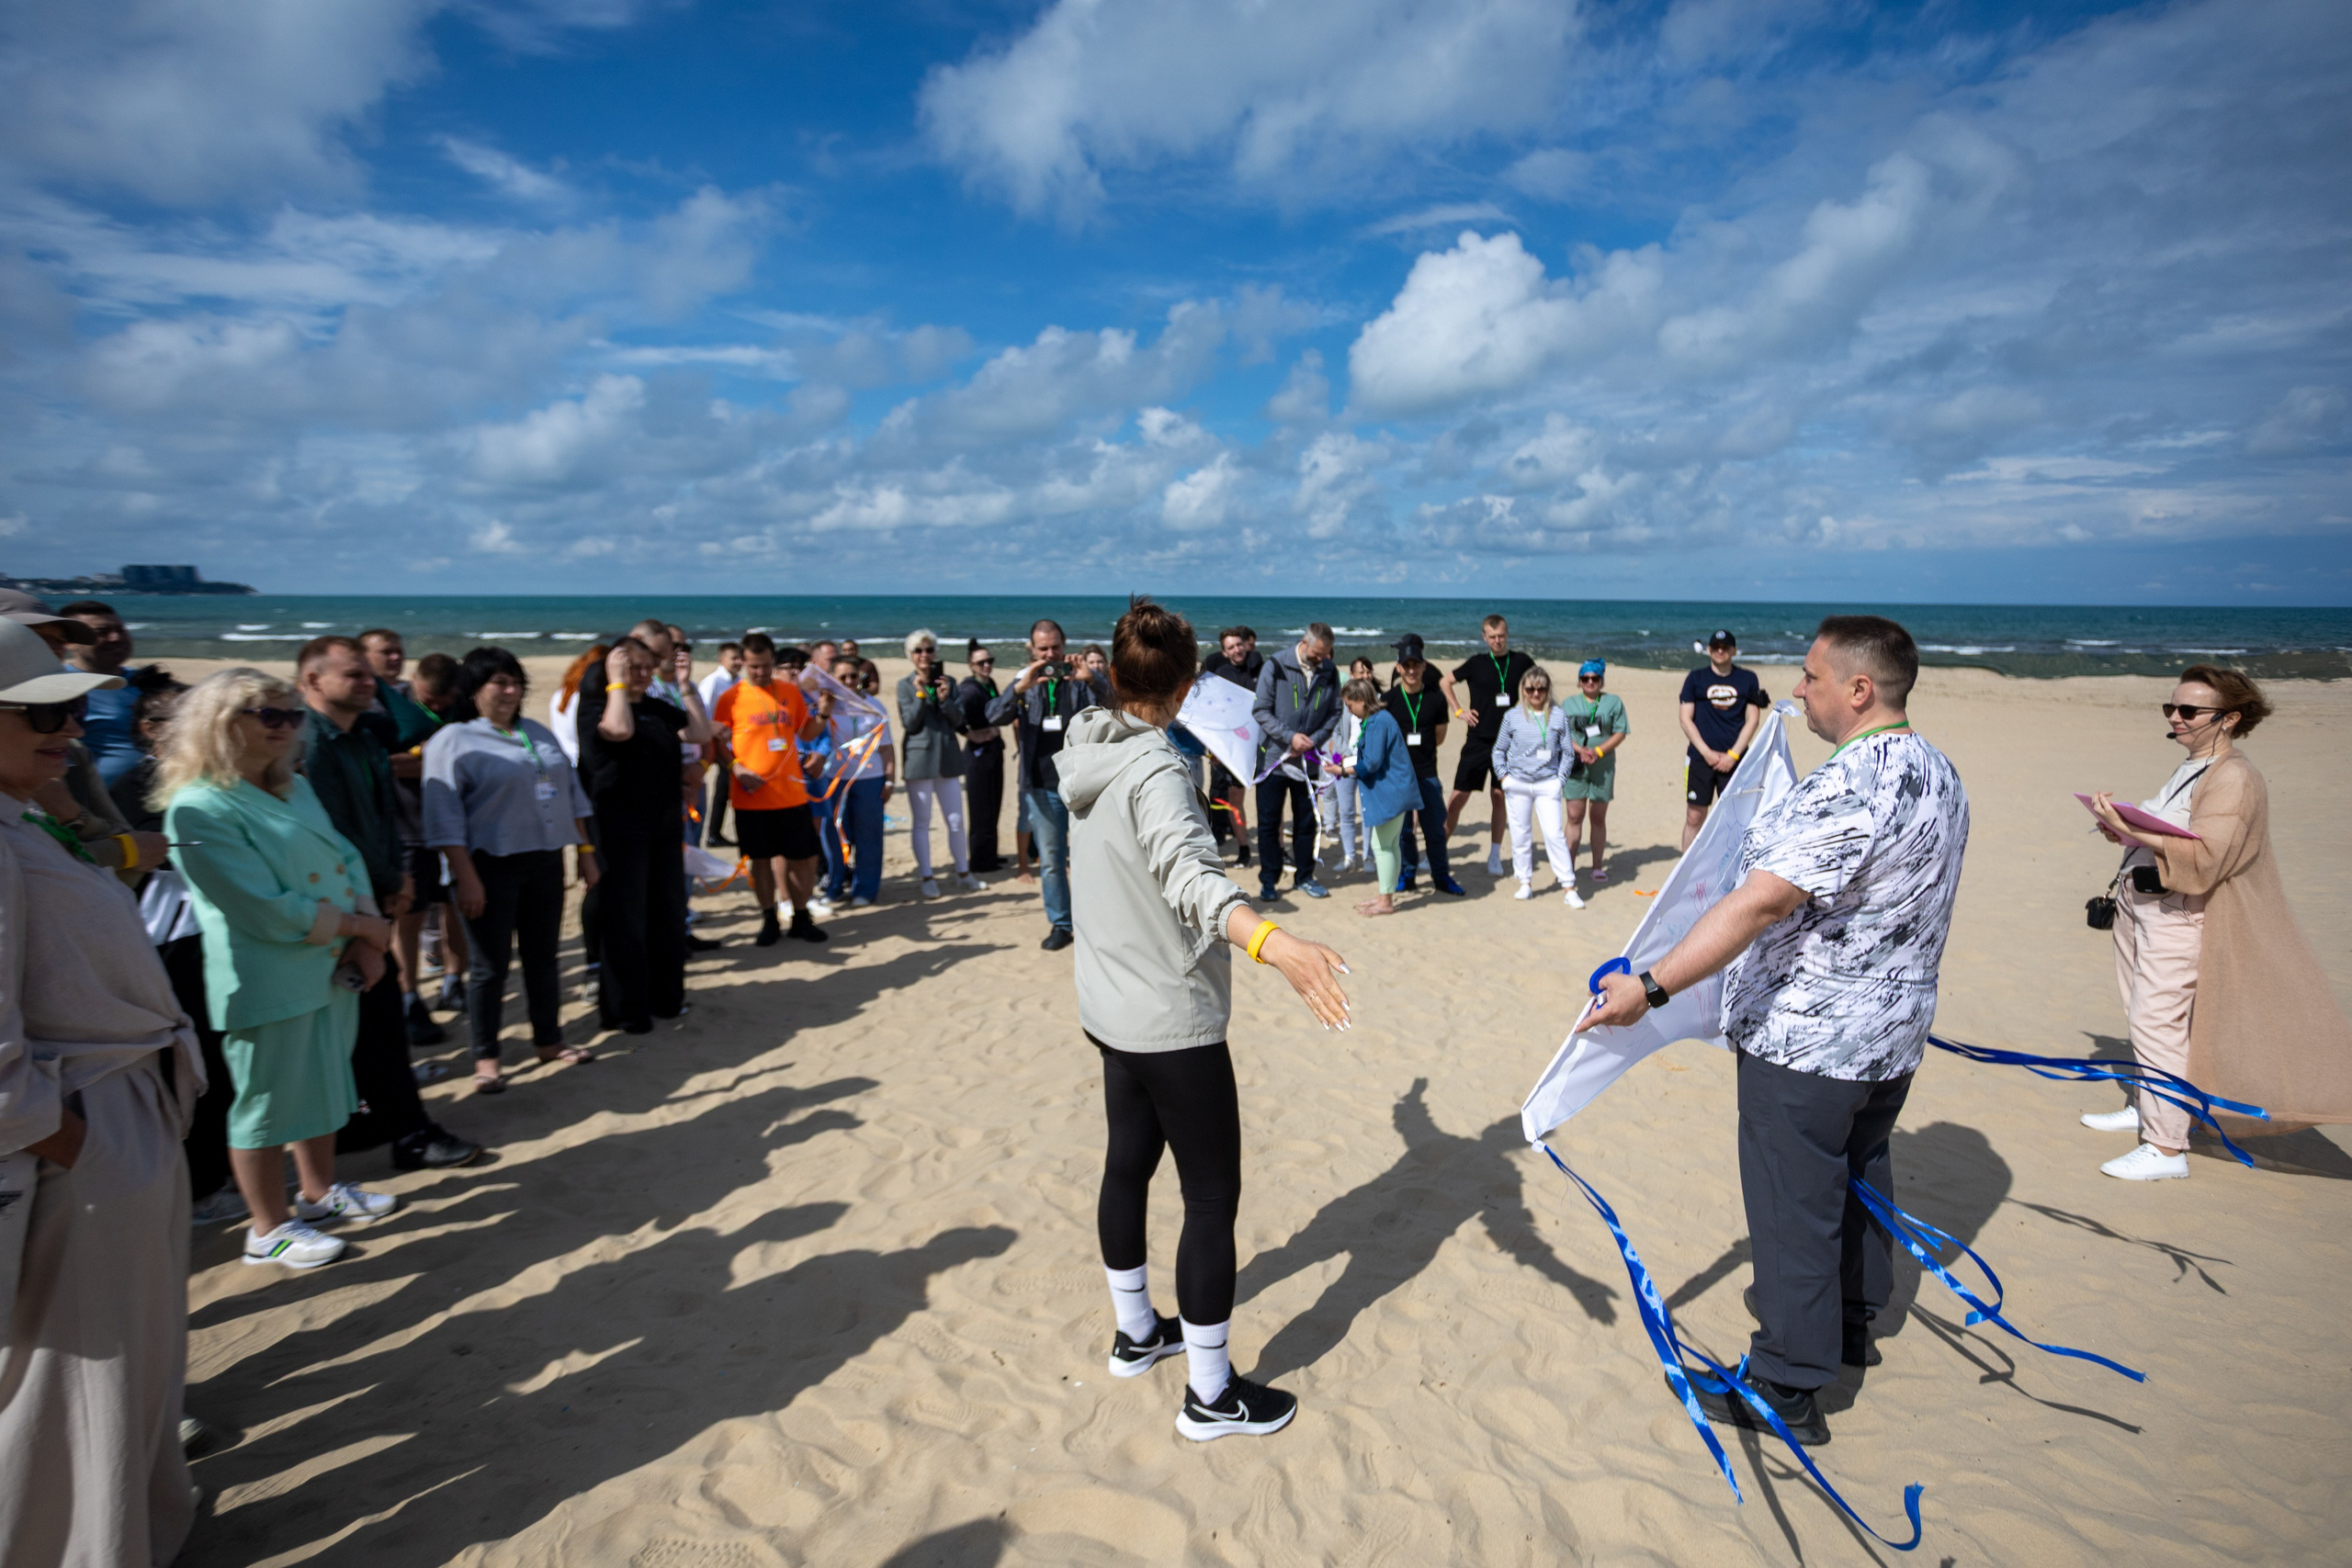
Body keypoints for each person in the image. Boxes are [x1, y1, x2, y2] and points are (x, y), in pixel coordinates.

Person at [1580, 615, 1969, 1445]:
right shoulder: (1940, 770)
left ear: (1860, 689)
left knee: (1796, 1203)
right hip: (1890, 1039)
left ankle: (1788, 1383)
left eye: (1811, 676)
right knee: (1860, 1173)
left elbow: (1761, 899)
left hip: (1813, 1043)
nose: (1795, 690)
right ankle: (1854, 1327)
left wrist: (1647, 987)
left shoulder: (1852, 781)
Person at [1056, 596, 1352, 1442]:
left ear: (1112, 679)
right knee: (1211, 1197)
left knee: (1128, 1163)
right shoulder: (1157, 773)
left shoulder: (1086, 743)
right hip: (1167, 1018)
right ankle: (1211, 1395)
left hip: (1109, 1005)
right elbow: (1191, 876)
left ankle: (1136, 1333)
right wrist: (1276, 944)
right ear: (1188, 687)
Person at [0, 617, 203, 1568]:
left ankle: (128, 1534)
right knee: (77, 1382)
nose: (70, 726)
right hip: (82, 1137)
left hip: (117, 1116)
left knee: (127, 1370)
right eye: (37, 713)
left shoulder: (28, 814)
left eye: (74, 708)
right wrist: (78, 1141)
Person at [160, 667, 406, 1269]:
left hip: (329, 966)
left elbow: (344, 855)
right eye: (268, 715)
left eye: (292, 716)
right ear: (221, 724)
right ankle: (267, 1226)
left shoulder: (290, 784)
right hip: (267, 973)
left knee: (323, 1087)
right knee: (265, 1104)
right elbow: (261, 908)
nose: (286, 727)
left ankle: (319, 1193)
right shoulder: (195, 807)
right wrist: (359, 928)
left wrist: (368, 935)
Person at [2085, 665, 2352, 1178]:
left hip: (2178, 914)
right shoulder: (2195, 765)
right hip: (2139, 906)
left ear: (2229, 718)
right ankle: (2148, 1107)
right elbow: (2173, 833)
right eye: (2171, 708)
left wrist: (2132, 827)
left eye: (2189, 711)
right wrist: (2123, 832)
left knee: (2157, 1022)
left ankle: (2166, 1148)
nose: (2176, 718)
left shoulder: (2234, 776)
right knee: (2144, 1015)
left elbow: (2209, 855)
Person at [295, 637, 481, 1170]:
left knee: (369, 1022)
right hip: (343, 903)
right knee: (372, 1023)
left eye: (368, 675)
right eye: (353, 676)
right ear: (311, 682)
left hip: (377, 887)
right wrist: (379, 885)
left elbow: (423, 729)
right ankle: (411, 1133)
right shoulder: (309, 744)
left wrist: (386, 686)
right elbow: (332, 834)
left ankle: (375, 1122)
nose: (367, 684)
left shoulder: (363, 733)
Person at [424, 648, 599, 1093]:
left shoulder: (536, 731)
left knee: (543, 958)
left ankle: (549, 1040)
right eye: (498, 682)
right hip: (488, 866)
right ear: (474, 689)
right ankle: (486, 1057)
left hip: (544, 860)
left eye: (515, 681)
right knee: (489, 968)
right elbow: (443, 819)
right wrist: (465, 877)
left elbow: (571, 795)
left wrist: (585, 852)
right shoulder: (455, 739)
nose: (509, 691)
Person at [577, 637, 712, 1031]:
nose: (641, 674)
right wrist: (617, 684)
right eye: (631, 667)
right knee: (626, 920)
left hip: (664, 825)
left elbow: (700, 734)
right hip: (619, 828)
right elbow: (618, 731)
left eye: (645, 667)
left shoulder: (658, 707)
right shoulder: (596, 707)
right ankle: (625, 1009)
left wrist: (685, 685)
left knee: (667, 914)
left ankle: (667, 998)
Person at [986, 618, 1109, 949]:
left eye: (1055, 647)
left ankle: (1094, 921)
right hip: (1040, 784)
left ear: (1064, 644)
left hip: (1083, 783)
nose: (1050, 654)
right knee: (1052, 860)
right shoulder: (1024, 680)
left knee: (1091, 857)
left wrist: (1094, 679)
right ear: (1032, 649)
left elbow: (1118, 707)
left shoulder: (1081, 680)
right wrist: (1018, 689)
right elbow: (993, 716)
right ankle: (1061, 924)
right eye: (1043, 648)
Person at [711, 634, 828, 944]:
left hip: (791, 794)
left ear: (772, 662)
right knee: (760, 861)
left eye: (764, 666)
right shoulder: (730, 698)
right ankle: (768, 919)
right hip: (751, 799)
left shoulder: (790, 691)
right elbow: (718, 742)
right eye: (753, 667)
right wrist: (736, 766)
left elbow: (807, 730)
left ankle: (801, 916)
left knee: (802, 859)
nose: (759, 672)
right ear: (743, 663)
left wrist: (824, 713)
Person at [400, 652, 468, 1043]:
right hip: (410, 827)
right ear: (414, 681)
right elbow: (383, 764)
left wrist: (430, 758)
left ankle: (453, 981)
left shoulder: (463, 708)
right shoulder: (394, 709)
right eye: (429, 699)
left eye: (443, 701)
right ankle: (409, 996)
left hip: (457, 823)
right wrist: (430, 758)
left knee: (456, 907)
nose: (437, 707)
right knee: (410, 915)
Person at [1250, 622, 1340, 903]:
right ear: (1304, 642)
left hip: (1308, 761)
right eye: (1317, 653)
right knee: (1268, 823)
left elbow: (1335, 711)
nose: (1322, 659)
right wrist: (1290, 738)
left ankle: (1304, 876)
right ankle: (1269, 880)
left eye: (1326, 654)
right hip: (1273, 762)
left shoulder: (1330, 671)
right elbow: (1261, 710)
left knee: (1307, 823)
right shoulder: (1276, 665)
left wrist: (1313, 740)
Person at [1441, 615, 1536, 877]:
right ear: (1484, 637)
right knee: (1458, 796)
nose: (1497, 641)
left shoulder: (1522, 661)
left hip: (1508, 742)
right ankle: (1438, 851)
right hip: (1478, 740)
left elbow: (1537, 686)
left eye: (1501, 636)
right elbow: (1444, 682)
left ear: (1508, 634)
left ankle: (1495, 855)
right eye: (1492, 637)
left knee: (1499, 797)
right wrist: (1459, 710)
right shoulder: (1476, 663)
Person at [899, 628, 984, 897]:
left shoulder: (950, 682)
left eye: (929, 650)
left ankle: (963, 873)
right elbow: (909, 722)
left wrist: (946, 700)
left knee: (956, 820)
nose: (925, 655)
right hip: (919, 758)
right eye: (919, 651)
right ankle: (927, 876)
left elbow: (959, 720)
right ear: (911, 656)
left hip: (947, 756)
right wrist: (922, 695)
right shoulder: (905, 685)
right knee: (922, 820)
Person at [1493, 665, 1581, 906]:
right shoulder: (1512, 716)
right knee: (1521, 834)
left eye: (1541, 689)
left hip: (1547, 784)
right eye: (1530, 688)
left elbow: (1567, 753)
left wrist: (1559, 781)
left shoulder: (1559, 716)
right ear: (1523, 689)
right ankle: (1525, 882)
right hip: (1517, 784)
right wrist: (1504, 778)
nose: (1535, 694)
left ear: (1547, 689)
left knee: (1554, 834)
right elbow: (1498, 750)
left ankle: (1568, 886)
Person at [1331, 676, 1419, 917]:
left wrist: (1341, 770)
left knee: (1382, 845)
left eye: (1350, 706)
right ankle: (1385, 895)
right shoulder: (1376, 720)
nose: (1349, 711)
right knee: (1388, 844)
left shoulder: (1379, 721)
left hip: (1391, 792)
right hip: (1394, 790)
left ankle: (1386, 901)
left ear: (1361, 700)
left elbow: (1371, 763)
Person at [1385, 635, 1465, 897]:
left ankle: (1441, 876)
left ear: (1423, 666)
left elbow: (1440, 736)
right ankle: (1407, 874)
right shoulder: (1388, 700)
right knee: (1404, 831)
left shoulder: (1435, 698)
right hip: (1398, 777)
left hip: (1427, 773)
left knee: (1435, 830)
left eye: (1416, 665)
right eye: (1406, 665)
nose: (1411, 670)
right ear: (1399, 668)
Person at [1679, 629, 1769, 851]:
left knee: (1735, 818)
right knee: (1694, 816)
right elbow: (1685, 719)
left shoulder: (1747, 679)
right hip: (1700, 759)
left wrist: (1733, 755)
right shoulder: (1695, 678)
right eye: (1716, 647)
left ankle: (1733, 870)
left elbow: (1752, 719)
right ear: (1708, 650)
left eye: (1726, 647)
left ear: (1734, 651)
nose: (1721, 651)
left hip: (1736, 760)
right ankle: (1686, 871)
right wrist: (1707, 753)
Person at [822, 653, 892, 908]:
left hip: (870, 778)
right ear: (832, 678)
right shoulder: (826, 706)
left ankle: (865, 888)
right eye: (842, 677)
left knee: (869, 836)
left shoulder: (875, 706)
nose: (849, 681)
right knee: (834, 835)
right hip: (834, 780)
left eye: (853, 676)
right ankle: (834, 886)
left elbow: (886, 748)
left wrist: (890, 780)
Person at [58, 599, 144, 784]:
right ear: (69, 642)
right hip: (105, 800)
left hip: (162, 793)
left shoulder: (149, 680)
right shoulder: (61, 687)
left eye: (121, 630)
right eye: (102, 633)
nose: (116, 638)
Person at [1561, 659, 1630, 886]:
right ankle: (1567, 866)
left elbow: (1620, 732)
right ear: (1579, 681)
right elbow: (1560, 733)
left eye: (1595, 678)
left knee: (1598, 817)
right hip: (1576, 766)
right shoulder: (1569, 704)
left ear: (1601, 680)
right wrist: (1580, 750)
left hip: (1603, 767)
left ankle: (1597, 866)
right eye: (1585, 678)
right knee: (1574, 816)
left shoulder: (1613, 702)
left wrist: (1598, 752)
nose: (1590, 682)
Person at [1199, 626, 1261, 866]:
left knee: (1268, 804)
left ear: (1246, 644)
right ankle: (1244, 848)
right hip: (1233, 749)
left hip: (1261, 747)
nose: (1237, 650)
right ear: (1224, 652)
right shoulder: (1219, 675)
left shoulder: (1258, 666)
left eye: (1239, 645)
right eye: (1231, 647)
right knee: (1235, 802)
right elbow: (1209, 712)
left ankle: (1277, 849)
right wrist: (1214, 746)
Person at [1322, 657, 1378, 872]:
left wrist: (1363, 756)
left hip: (1368, 765)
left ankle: (1368, 858)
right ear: (1351, 675)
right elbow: (1335, 732)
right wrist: (1346, 753)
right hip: (1344, 762)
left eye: (1368, 671)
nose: (1365, 676)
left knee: (1367, 812)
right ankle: (1349, 856)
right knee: (1346, 812)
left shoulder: (1378, 702)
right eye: (1360, 672)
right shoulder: (1342, 703)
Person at [956, 640, 1007, 874]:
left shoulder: (990, 683)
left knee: (994, 804)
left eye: (989, 661)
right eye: (981, 662)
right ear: (971, 665)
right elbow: (955, 714)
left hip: (994, 751)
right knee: (980, 808)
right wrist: (971, 734)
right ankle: (979, 861)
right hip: (978, 756)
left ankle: (990, 855)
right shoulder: (968, 689)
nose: (986, 665)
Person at [697, 640, 744, 847]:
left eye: (740, 658)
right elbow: (704, 713)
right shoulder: (713, 682)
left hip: (735, 743)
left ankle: (715, 833)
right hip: (717, 743)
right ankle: (713, 834)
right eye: (734, 658)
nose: (738, 662)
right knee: (725, 787)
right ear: (721, 659)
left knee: (725, 788)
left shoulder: (739, 681)